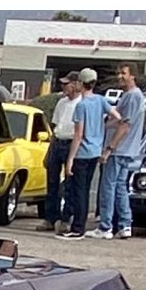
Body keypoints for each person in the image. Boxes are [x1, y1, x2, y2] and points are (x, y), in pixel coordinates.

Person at [59, 68, 115, 239]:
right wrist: (102, 127)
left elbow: (79, 134)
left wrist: (70, 159)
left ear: (81, 84)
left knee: (79, 191)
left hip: (82, 152)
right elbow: (118, 116)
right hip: (95, 151)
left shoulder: (81, 105)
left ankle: (77, 228)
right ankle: (78, 227)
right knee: (85, 188)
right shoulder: (100, 100)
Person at [93, 64, 145, 240]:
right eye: (118, 73)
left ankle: (105, 227)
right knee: (121, 187)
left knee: (108, 187)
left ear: (133, 76)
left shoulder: (132, 96)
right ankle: (124, 225)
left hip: (119, 150)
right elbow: (118, 121)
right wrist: (102, 126)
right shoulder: (131, 96)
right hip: (127, 151)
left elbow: (124, 125)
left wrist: (109, 149)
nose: (119, 76)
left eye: (123, 73)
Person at [35, 72, 83, 232]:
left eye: (67, 84)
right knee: (52, 182)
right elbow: (55, 127)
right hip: (58, 141)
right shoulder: (61, 103)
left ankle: (65, 219)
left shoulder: (82, 103)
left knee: (69, 184)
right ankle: (50, 217)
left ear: (76, 85)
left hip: (72, 143)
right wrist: (49, 150)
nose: (64, 87)